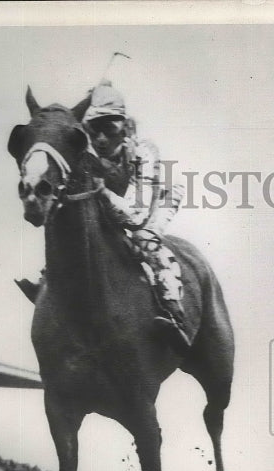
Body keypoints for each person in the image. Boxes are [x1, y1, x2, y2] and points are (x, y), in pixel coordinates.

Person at [17, 80, 192, 350]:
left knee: (146, 241)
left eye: (109, 129)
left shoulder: (143, 153)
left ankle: (172, 311)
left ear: (124, 127)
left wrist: (103, 194)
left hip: (155, 202)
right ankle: (47, 277)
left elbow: (135, 215)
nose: (101, 139)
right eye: (94, 130)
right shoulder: (85, 153)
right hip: (116, 206)